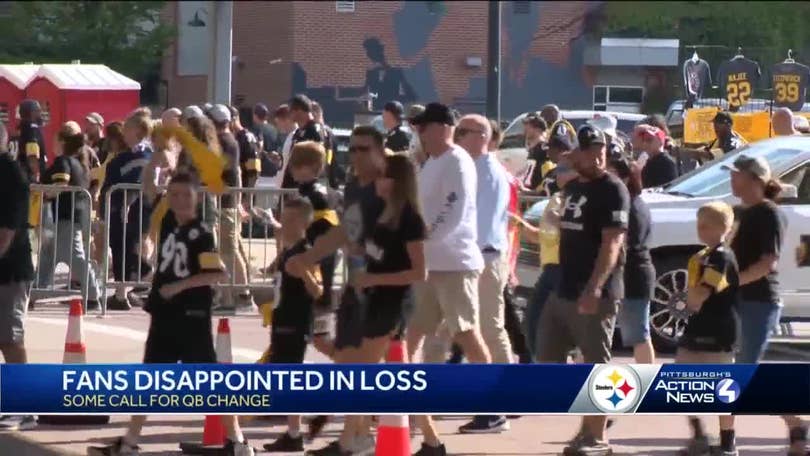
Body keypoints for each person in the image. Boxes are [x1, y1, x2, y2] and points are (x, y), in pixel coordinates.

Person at [288, 127, 443, 455]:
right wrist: (309, 256)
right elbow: (348, 231)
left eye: (363, 149)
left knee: (360, 369)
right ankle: (430, 440)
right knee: (381, 369)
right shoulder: (358, 188)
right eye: (352, 149)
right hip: (362, 287)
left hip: (386, 294)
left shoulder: (397, 202)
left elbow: (415, 266)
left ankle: (351, 440)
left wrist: (370, 276)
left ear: (380, 151)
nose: (355, 155)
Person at [87, 173, 254, 456]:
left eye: (185, 195)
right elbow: (152, 192)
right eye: (173, 195)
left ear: (196, 198)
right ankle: (128, 443)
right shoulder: (167, 224)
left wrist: (180, 285)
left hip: (191, 317)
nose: (179, 200)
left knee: (209, 380)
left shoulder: (200, 233)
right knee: (150, 378)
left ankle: (238, 442)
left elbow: (217, 273)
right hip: (165, 315)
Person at [537, 125, 629, 456]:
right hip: (564, 287)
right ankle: (590, 423)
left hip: (595, 293)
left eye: (600, 147)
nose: (596, 153)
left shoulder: (613, 190)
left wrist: (595, 287)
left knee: (596, 365)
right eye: (588, 148)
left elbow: (612, 243)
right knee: (547, 360)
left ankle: (597, 437)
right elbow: (559, 209)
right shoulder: (574, 187)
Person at [723, 155, 807, 454]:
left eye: (737, 175)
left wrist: (730, 283)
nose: (732, 179)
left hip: (760, 303)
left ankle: (794, 419)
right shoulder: (735, 212)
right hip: (736, 302)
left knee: (743, 374)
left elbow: (766, 263)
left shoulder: (769, 214)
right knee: (736, 372)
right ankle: (728, 439)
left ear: (755, 180)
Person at [455, 114, 512, 433]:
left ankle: (500, 403)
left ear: (482, 137)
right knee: (469, 330)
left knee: (489, 329)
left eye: (462, 132)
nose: (457, 137)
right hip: (475, 259)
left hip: (484, 259)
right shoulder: (473, 168)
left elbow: (479, 225)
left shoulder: (487, 172)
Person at [262, 198, 324, 453]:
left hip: (296, 324)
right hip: (282, 321)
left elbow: (318, 290)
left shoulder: (306, 252)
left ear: (304, 223)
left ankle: (298, 429)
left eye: (290, 221)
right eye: (283, 219)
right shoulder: (290, 248)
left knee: (289, 379)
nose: (284, 225)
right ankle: (294, 431)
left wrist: (305, 273)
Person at [679, 201, 739, 456]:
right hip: (697, 327)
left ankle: (728, 443)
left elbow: (701, 294)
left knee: (723, 388)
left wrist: (690, 295)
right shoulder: (705, 255)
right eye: (698, 225)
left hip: (718, 330)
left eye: (706, 226)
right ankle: (699, 434)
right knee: (679, 382)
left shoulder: (721, 257)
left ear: (722, 228)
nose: (700, 230)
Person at [512, 154, 578, 361]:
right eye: (559, 169)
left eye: (565, 169)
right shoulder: (557, 198)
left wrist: (556, 219)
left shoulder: (575, 200)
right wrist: (517, 223)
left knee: (538, 324)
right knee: (535, 324)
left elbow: (563, 233)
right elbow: (541, 237)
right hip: (550, 269)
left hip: (563, 270)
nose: (559, 173)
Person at [36, 124, 102, 310]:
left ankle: (93, 293)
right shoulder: (78, 163)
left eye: (55, 139)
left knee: (75, 256)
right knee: (48, 255)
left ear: (62, 142)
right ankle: (35, 291)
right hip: (68, 215)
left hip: (67, 214)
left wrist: (44, 193)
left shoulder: (63, 161)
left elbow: (61, 183)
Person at [287, 141, 339, 359]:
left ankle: (357, 367)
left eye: (296, 164)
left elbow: (324, 231)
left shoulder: (313, 196)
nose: (293, 169)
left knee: (316, 335)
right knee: (314, 335)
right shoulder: (326, 193)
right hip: (317, 268)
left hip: (313, 271)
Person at [0, 131, 37, 431]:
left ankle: (25, 407)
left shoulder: (10, 175)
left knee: (10, 338)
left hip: (10, 269)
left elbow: (7, 231)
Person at [100, 112, 154, 311]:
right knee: (119, 249)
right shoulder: (129, 155)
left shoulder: (142, 155)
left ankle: (147, 274)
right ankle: (121, 294)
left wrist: (126, 202)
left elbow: (135, 182)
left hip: (129, 208)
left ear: (138, 131)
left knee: (127, 248)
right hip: (120, 207)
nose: (124, 132)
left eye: (128, 129)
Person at [608, 154, 656, 364]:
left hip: (634, 277)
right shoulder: (629, 203)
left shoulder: (632, 208)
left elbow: (624, 245)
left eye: (612, 173)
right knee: (599, 334)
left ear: (626, 179)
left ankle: (649, 381)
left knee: (639, 335)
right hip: (626, 276)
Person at [210, 104, 254, 310]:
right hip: (222, 202)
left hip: (225, 203)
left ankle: (242, 295)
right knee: (227, 250)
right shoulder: (226, 141)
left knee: (229, 251)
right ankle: (231, 296)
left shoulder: (226, 142)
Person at [283, 95, 325, 190]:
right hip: (292, 185)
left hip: (305, 187)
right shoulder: (298, 132)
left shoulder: (314, 131)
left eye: (290, 111)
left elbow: (316, 161)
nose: (289, 115)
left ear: (299, 110)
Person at [17, 99, 48, 184]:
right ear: (31, 112)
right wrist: (36, 175)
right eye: (38, 110)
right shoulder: (32, 129)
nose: (40, 113)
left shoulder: (21, 129)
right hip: (30, 176)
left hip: (20, 174)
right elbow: (32, 154)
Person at [230, 106, 261, 189]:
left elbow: (254, 169)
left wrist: (248, 197)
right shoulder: (233, 137)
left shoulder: (247, 138)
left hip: (244, 190)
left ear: (234, 119)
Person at [252, 103, 280, 178]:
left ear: (255, 115)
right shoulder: (275, 130)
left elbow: (256, 152)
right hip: (274, 170)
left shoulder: (255, 130)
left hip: (261, 170)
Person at [523, 112, 549, 190]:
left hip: (539, 194)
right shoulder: (532, 149)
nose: (525, 130)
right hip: (529, 192)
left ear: (538, 129)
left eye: (529, 127)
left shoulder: (544, 149)